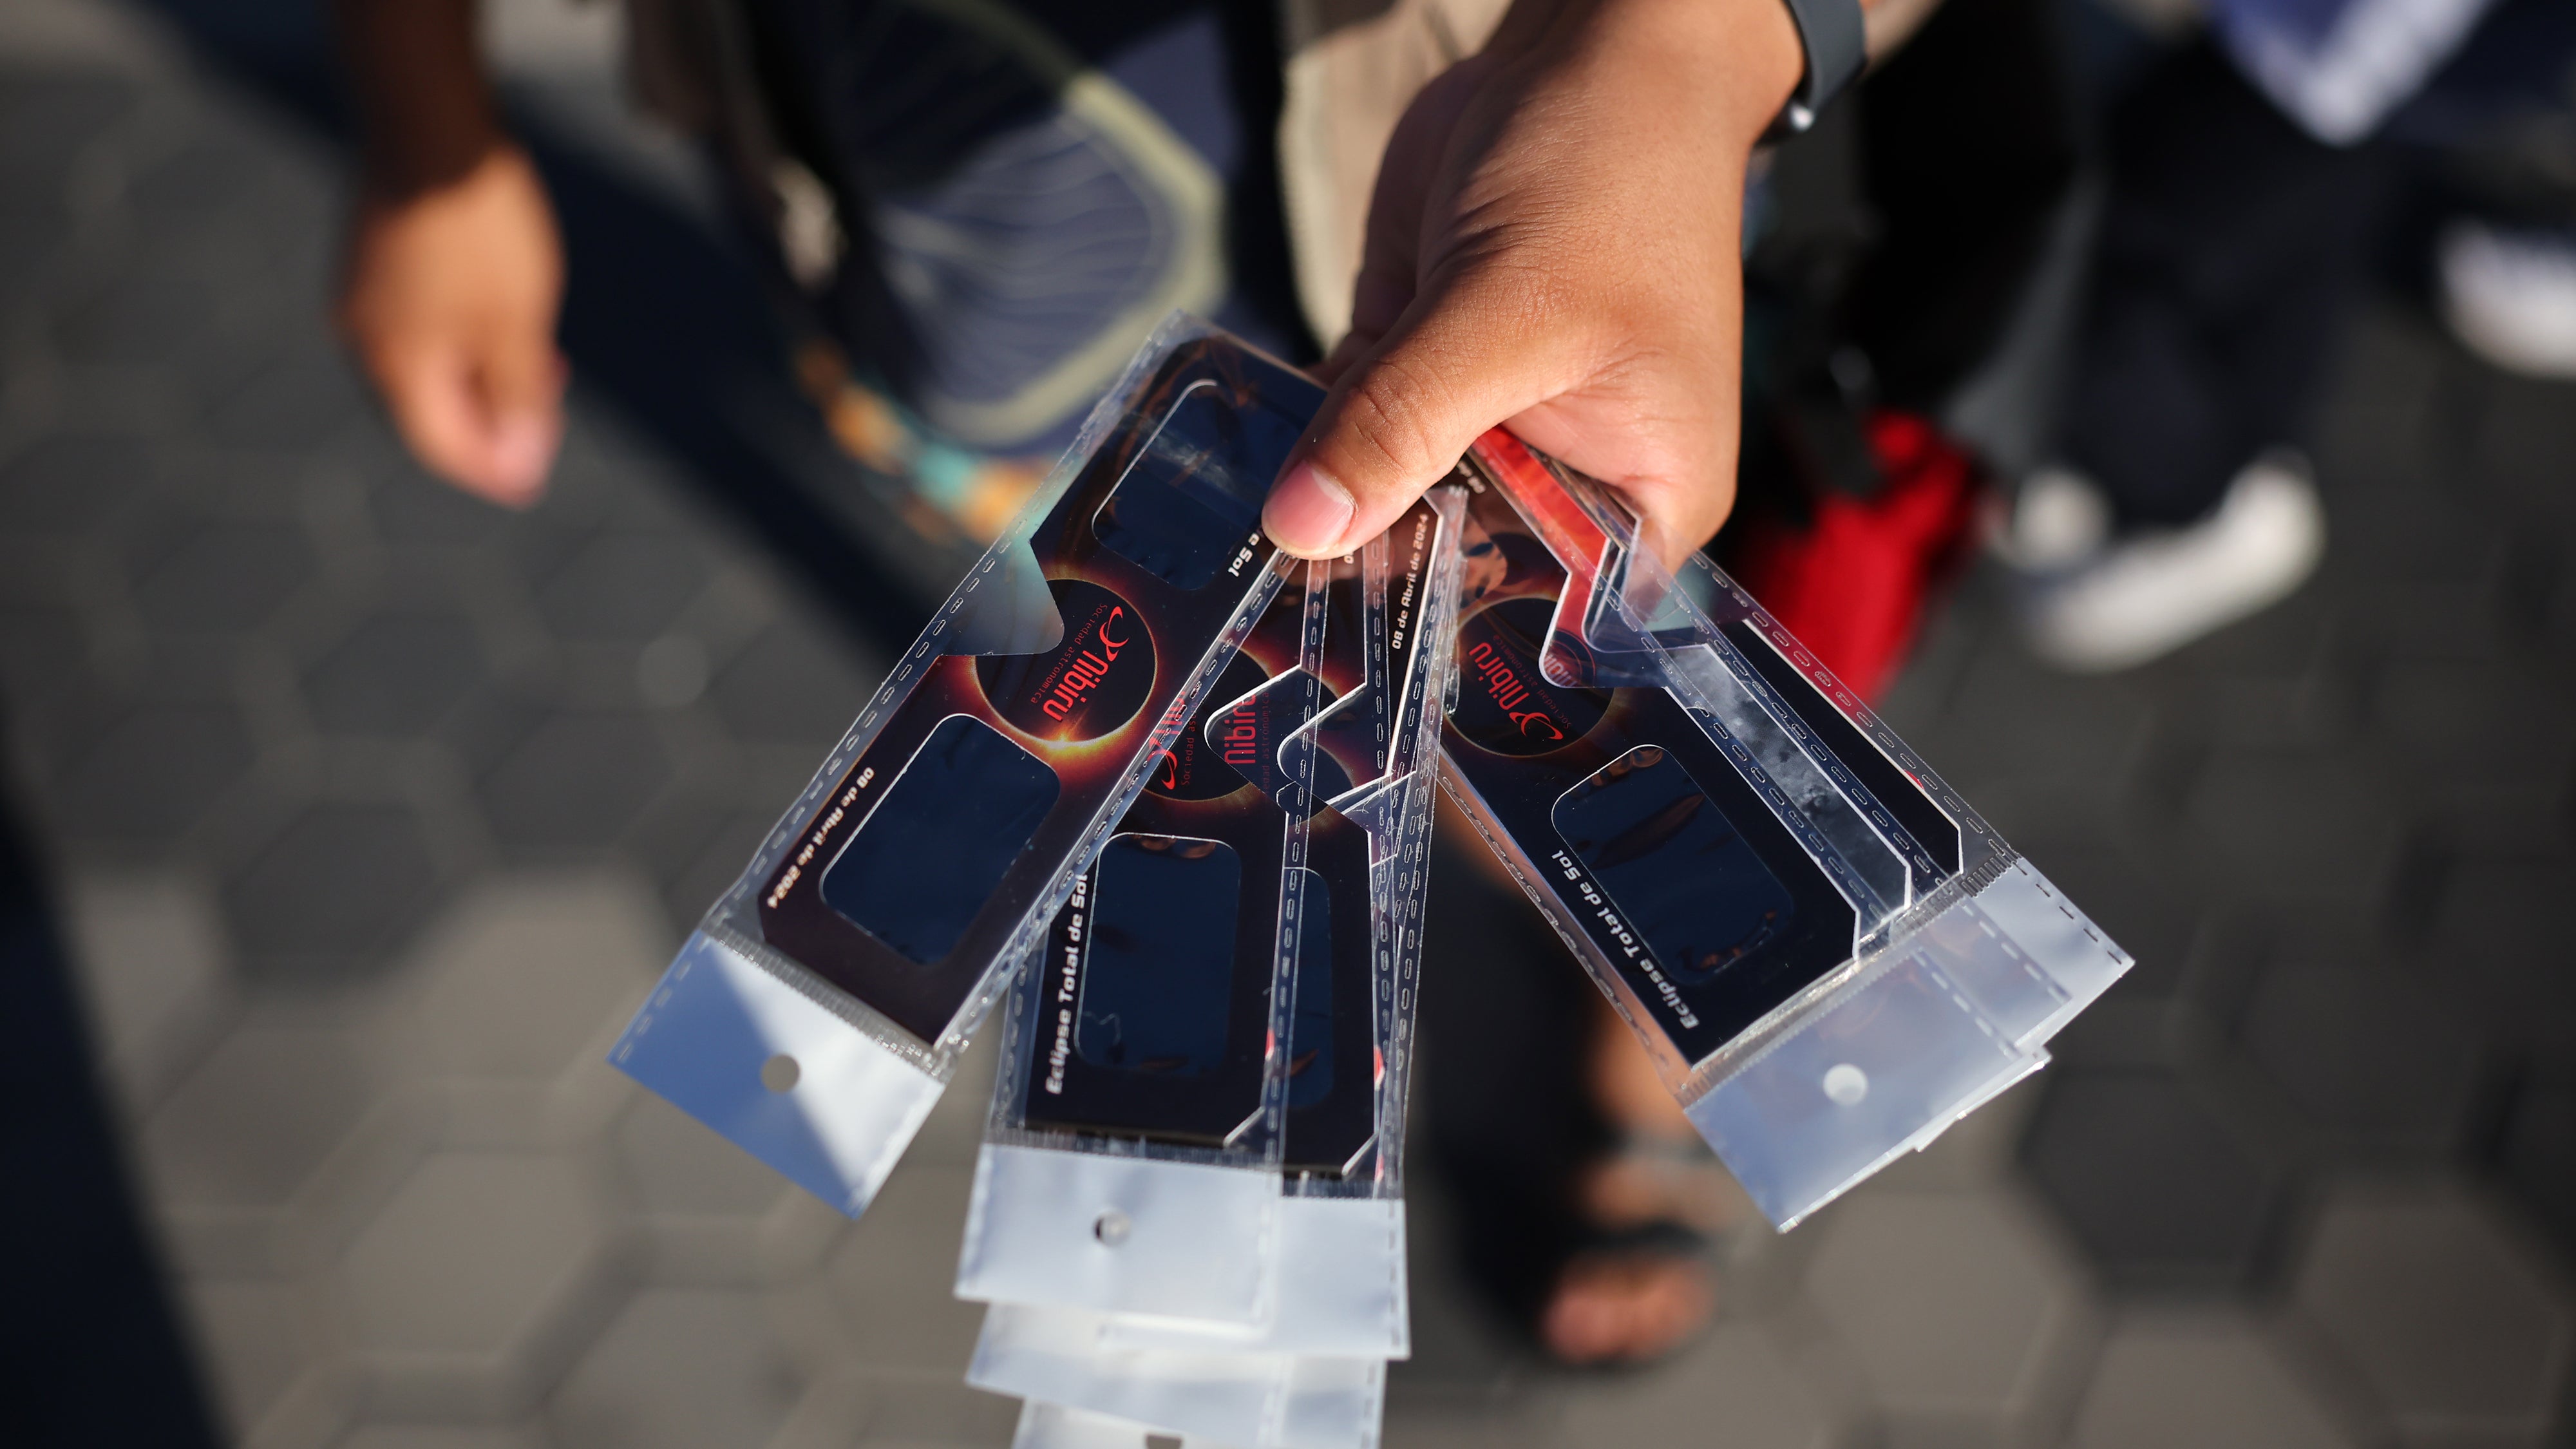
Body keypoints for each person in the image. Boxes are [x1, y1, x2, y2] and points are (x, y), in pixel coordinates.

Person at [332, 0, 1926, 1365]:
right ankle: (1408, 859)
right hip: (937, 247)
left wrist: (1694, 40)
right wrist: (425, 131)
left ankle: (1591, 922)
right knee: (1134, 594)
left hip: (1520, 138)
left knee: (1531, 598)